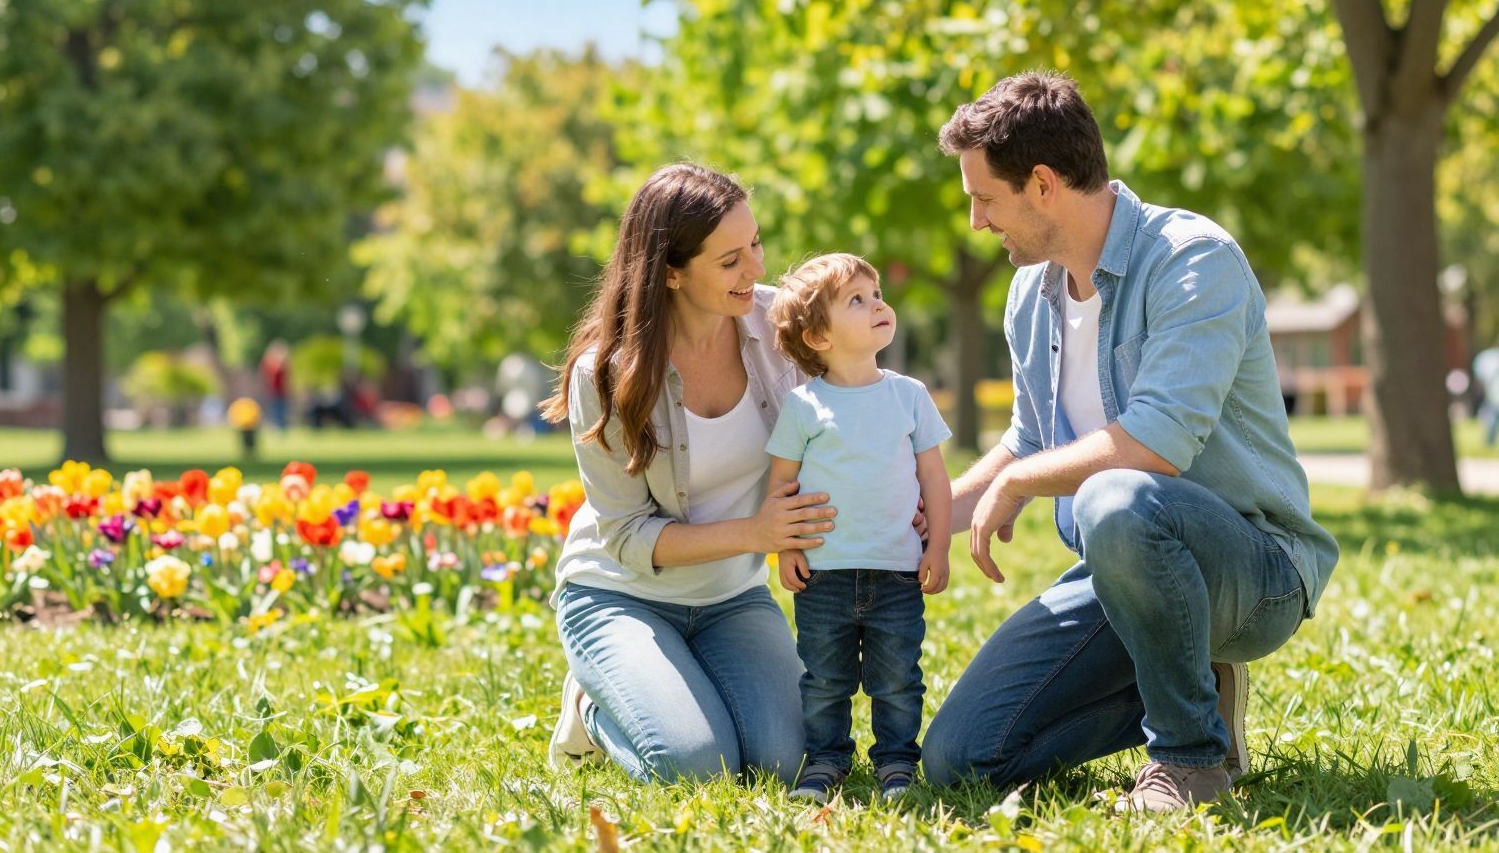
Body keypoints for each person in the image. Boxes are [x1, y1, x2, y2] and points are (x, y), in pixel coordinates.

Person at [920, 72, 1340, 811]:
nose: (979, 223)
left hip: (1251, 567)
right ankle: (1200, 691)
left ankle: (1189, 760)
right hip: (1124, 576)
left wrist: (1020, 487)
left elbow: (1156, 447)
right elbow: (1027, 442)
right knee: (961, 759)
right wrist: (921, 520)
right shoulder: (1032, 293)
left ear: (1043, 184)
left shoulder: (1192, 261)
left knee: (1114, 496)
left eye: (985, 199)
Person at [541, 164, 839, 785]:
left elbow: (851, 410)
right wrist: (756, 534)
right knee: (696, 766)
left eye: (754, 243)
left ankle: (677, 680)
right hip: (620, 595)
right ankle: (591, 706)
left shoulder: (779, 326)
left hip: (731, 598)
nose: (756, 269)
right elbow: (624, 535)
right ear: (670, 271)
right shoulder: (607, 374)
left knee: (784, 764)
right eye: (729, 261)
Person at [764, 253, 953, 802]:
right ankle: (827, 761)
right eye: (858, 300)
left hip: (896, 573)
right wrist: (786, 550)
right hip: (823, 576)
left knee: (898, 679)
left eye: (876, 294)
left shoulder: (908, 395)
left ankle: (896, 764)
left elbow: (934, 480)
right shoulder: (804, 406)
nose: (878, 304)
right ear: (818, 336)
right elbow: (782, 487)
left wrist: (937, 545)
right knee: (824, 680)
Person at [259, 340, 290, 431]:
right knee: (275, 410)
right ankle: (276, 426)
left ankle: (281, 427)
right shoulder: (270, 364)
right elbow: (265, 375)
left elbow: (286, 379)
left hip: (281, 391)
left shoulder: (283, 364)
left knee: (281, 409)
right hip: (272, 391)